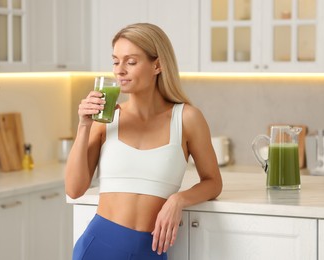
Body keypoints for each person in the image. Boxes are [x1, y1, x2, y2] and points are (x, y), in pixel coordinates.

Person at [65, 23, 222, 260]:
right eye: (116, 61)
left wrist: (178, 200)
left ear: (157, 65)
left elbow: (213, 182)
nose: (120, 70)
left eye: (131, 61)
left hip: (150, 252)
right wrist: (84, 125)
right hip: (97, 248)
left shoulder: (187, 118)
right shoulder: (106, 118)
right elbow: (74, 189)